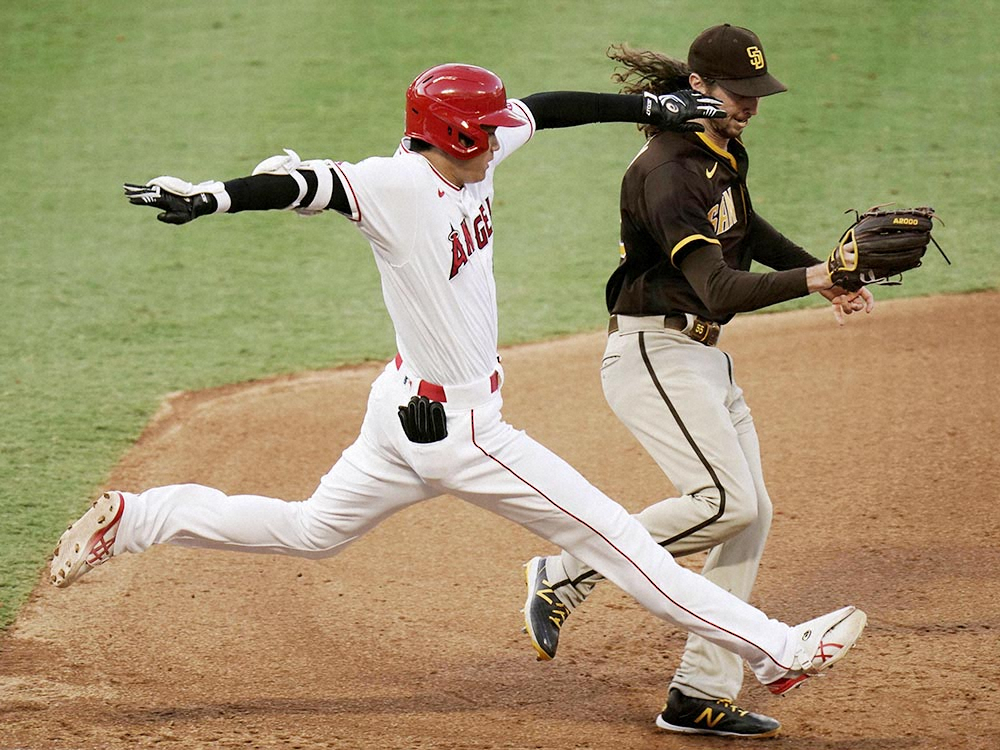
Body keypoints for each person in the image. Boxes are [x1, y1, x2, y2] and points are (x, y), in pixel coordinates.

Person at [51, 63, 866, 727]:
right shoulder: (394, 185)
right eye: (483, 136)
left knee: (310, 530)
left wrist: (640, 105)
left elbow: (543, 110)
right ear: (452, 137)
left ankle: (138, 517)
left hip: (402, 409)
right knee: (620, 543)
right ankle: (775, 650)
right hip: (462, 431)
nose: (497, 143)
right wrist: (210, 195)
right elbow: (308, 186)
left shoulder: (473, 142)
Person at [521, 26, 875, 739]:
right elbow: (713, 286)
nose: (748, 107)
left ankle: (699, 690)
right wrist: (810, 277)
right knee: (721, 502)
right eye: (736, 95)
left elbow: (745, 228)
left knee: (753, 513)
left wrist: (825, 278)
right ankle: (566, 573)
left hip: (703, 361)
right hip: (655, 354)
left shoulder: (720, 148)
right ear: (698, 87)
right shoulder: (667, 171)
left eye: (756, 95)